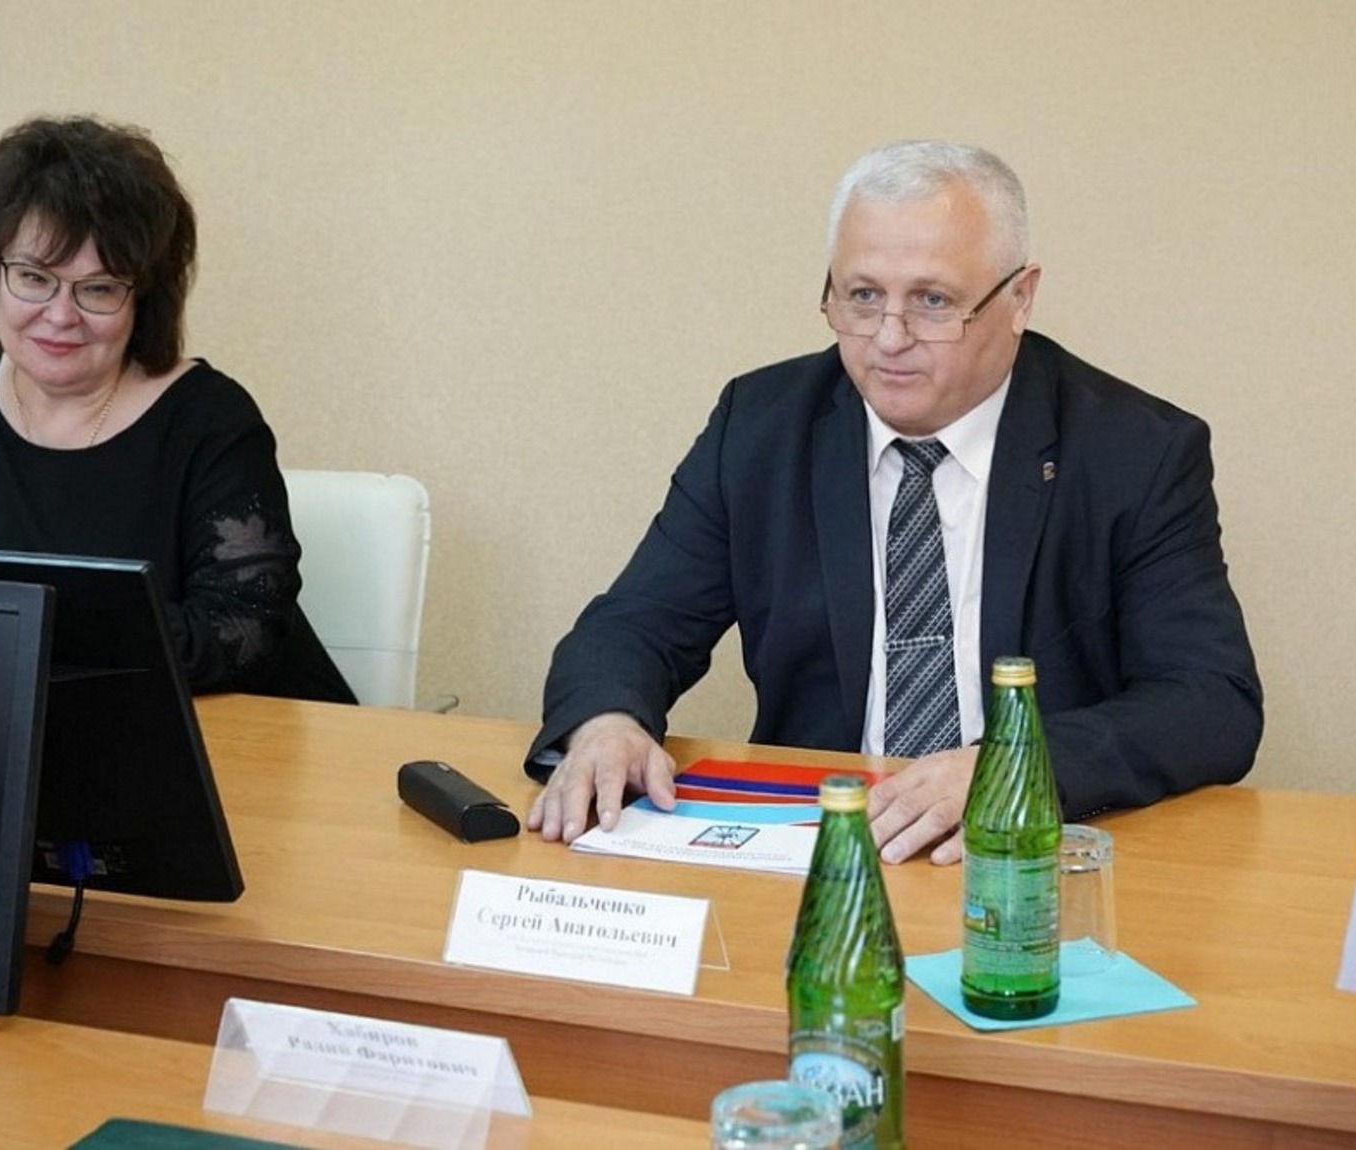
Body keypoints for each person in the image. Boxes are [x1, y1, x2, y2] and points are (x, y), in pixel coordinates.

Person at [524, 139, 1262, 863]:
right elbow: (636, 623)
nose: (889, 338)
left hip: (1027, 856)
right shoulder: (762, 428)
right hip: (821, 848)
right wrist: (606, 722)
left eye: (933, 301)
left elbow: (1211, 699)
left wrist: (1012, 768)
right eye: (864, 296)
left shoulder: (1135, 451)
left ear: (1019, 298)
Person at [0, 115, 355, 704]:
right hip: (10, 723)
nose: (60, 315)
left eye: (98, 288)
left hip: (225, 735)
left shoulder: (212, 419)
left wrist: (20, 630)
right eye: (34, 278)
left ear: (143, 299)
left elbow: (243, 633)